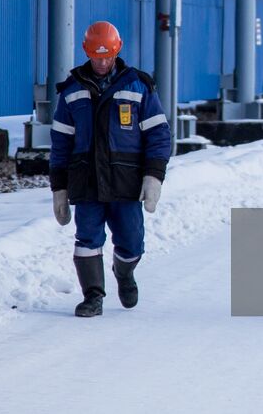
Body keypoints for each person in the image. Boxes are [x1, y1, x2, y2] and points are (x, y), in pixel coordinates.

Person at [50, 20, 172, 317]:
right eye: (96, 56)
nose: (102, 62)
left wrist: (153, 177)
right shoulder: (71, 90)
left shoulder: (139, 85)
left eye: (107, 56)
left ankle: (124, 271)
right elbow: (60, 142)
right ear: (87, 52)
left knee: (131, 241)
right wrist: (59, 188)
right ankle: (93, 296)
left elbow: (158, 134)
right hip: (86, 181)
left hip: (125, 182)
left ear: (117, 51)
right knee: (87, 238)